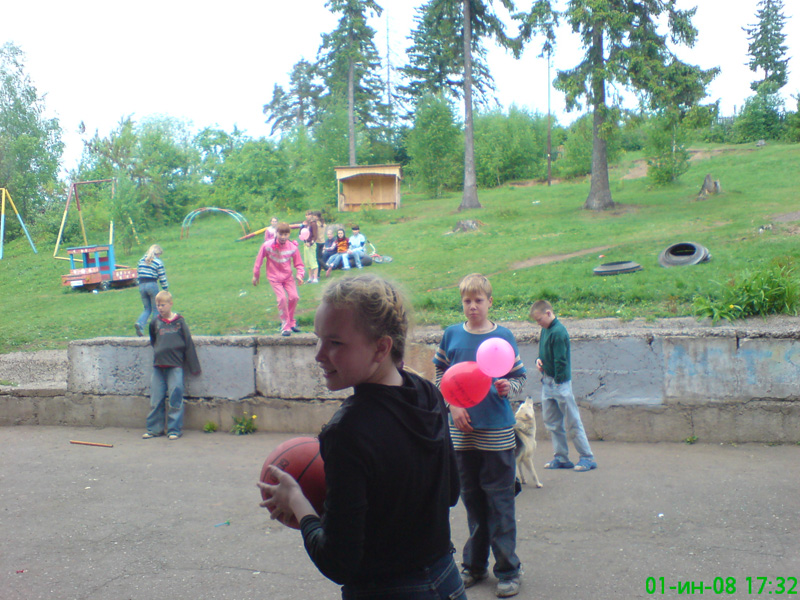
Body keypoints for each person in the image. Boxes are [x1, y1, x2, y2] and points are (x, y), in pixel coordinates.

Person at [258, 274, 466, 600]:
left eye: (335, 343)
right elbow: (451, 492)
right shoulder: (428, 393)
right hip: (447, 582)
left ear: (381, 347)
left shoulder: (347, 432)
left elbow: (338, 562)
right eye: (318, 339)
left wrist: (297, 501)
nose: (319, 354)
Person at [433, 273, 526, 598]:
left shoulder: (503, 336)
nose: (472, 306)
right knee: (472, 502)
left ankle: (508, 570)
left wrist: (508, 386)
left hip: (497, 433)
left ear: (490, 302)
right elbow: (441, 375)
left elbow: (519, 377)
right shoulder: (452, 335)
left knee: (500, 503)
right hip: (462, 436)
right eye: (467, 301)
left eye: (478, 300)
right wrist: (452, 405)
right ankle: (473, 566)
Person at [530, 299, 597, 473]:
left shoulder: (558, 332)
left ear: (548, 313)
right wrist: (539, 361)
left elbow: (561, 359)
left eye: (539, 319)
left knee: (573, 421)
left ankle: (587, 457)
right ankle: (561, 458)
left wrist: (558, 380)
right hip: (547, 381)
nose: (538, 323)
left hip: (559, 383)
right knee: (552, 423)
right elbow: (543, 352)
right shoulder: (545, 330)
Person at [142, 290, 201, 441]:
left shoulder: (179, 322)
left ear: (170, 304)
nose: (160, 308)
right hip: (158, 366)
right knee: (156, 398)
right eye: (158, 305)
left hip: (175, 365)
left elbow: (188, 343)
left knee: (175, 397)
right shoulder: (155, 322)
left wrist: (194, 366)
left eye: (163, 305)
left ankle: (174, 429)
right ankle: (154, 429)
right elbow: (153, 340)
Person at [253, 222, 305, 336]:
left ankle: (291, 322)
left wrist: (300, 275)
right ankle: (285, 326)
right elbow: (259, 260)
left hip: (288, 277)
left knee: (294, 297)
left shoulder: (292, 247)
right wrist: (256, 275)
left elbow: (299, 264)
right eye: (281, 234)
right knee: (282, 299)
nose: (283, 237)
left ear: (289, 235)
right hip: (274, 277)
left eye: (286, 234)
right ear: (276, 233)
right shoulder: (267, 245)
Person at [135, 244, 169, 337]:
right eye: (159, 254)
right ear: (157, 253)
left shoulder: (141, 261)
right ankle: (155, 330)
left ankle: (140, 324)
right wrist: (165, 288)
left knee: (147, 309)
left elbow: (138, 274)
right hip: (152, 285)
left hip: (142, 285)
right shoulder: (158, 262)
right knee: (156, 309)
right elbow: (162, 276)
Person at [303, 211, 319, 284]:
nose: (307, 216)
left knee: (313, 261)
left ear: (312, 215)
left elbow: (315, 235)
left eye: (309, 215)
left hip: (311, 244)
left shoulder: (313, 224)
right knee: (308, 262)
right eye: (306, 215)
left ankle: (315, 278)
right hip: (306, 243)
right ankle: (310, 277)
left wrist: (311, 243)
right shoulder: (306, 224)